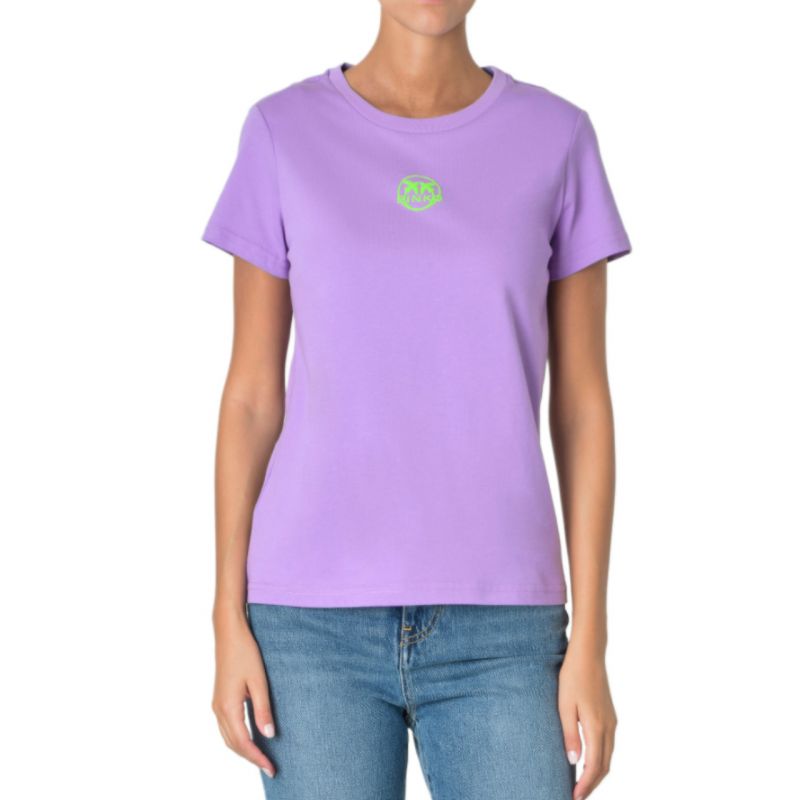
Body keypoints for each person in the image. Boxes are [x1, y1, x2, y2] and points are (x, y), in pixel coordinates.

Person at [201, 2, 632, 798]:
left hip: (504, 628)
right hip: (309, 626)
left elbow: (582, 405)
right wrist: (226, 616)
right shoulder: (282, 132)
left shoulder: (556, 138)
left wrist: (593, 645)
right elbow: (251, 397)